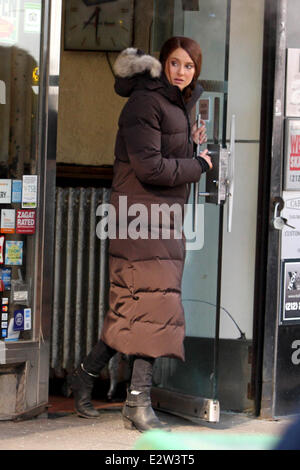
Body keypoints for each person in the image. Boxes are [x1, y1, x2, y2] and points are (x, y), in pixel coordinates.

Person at [71, 36, 212, 432]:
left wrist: (191, 146)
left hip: (160, 218)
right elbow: (150, 167)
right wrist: (199, 164)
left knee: (135, 307)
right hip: (138, 218)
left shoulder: (176, 105)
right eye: (175, 64)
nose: (182, 72)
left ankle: (83, 376)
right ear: (161, 65)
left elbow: (168, 157)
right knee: (154, 306)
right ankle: (137, 402)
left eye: (189, 66)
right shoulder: (145, 103)